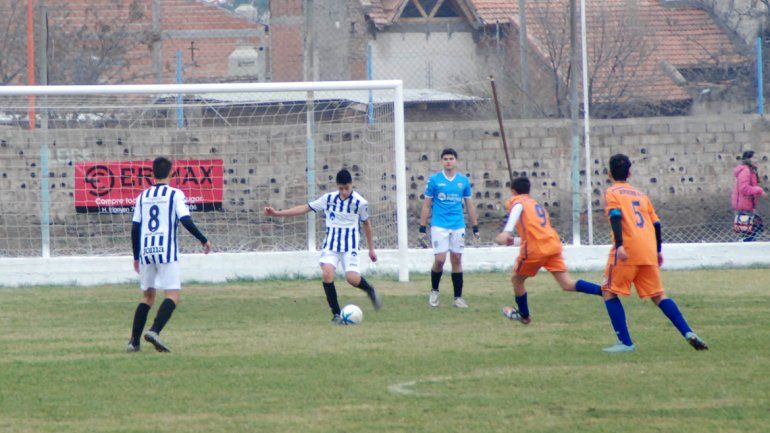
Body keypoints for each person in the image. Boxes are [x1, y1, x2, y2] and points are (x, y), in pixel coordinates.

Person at [599, 154, 708, 353]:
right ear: (630, 173)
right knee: (659, 295)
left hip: (627, 249)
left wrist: (620, 245)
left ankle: (625, 343)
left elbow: (615, 216)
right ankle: (687, 332)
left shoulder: (612, 192)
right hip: (648, 250)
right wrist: (657, 250)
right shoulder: (641, 196)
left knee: (608, 291)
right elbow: (656, 224)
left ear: (609, 173)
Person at [264, 169, 381, 324]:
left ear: (352, 185)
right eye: (341, 188)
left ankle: (370, 290)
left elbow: (366, 223)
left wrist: (371, 249)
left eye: (347, 188)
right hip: (331, 245)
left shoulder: (360, 202)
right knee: (327, 274)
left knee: (352, 279)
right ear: (337, 186)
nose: (344, 192)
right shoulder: (328, 199)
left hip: (350, 246)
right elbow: (305, 208)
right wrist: (277, 213)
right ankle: (336, 314)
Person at [127, 157, 212, 353]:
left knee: (147, 297)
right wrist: (203, 239)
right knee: (173, 294)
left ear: (151, 174)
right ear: (172, 173)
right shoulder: (175, 194)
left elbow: (135, 228)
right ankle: (154, 331)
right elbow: (185, 220)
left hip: (146, 251)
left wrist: (135, 256)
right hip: (166, 251)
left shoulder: (142, 196)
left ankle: (133, 341)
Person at [494, 177, 603, 324]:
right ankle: (604, 291)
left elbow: (517, 206)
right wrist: (513, 240)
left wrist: (507, 231)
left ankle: (524, 316)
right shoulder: (536, 205)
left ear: (513, 191)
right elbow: (537, 234)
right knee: (567, 284)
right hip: (552, 245)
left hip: (536, 249)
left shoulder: (518, 202)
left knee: (517, 280)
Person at [419, 148, 479, 308]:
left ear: (456, 161)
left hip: (458, 225)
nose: (448, 161)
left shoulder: (463, 181)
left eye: (451, 158)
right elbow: (426, 205)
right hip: (439, 225)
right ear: (441, 161)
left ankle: (457, 298)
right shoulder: (434, 180)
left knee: (457, 259)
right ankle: (434, 291)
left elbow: (470, 205)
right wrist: (422, 228)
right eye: (445, 158)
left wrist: (475, 227)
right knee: (440, 260)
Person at [731, 150, 764, 241]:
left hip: (748, 207)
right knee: (751, 233)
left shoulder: (751, 171)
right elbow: (744, 188)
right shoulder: (746, 171)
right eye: (754, 158)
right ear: (748, 159)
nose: (756, 160)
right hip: (744, 208)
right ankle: (742, 251)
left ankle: (743, 248)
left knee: (751, 232)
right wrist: (758, 190)